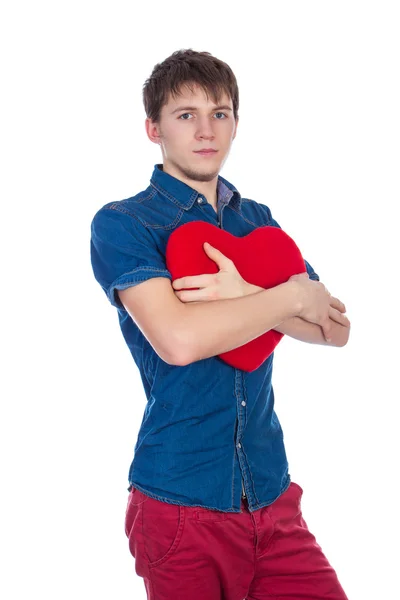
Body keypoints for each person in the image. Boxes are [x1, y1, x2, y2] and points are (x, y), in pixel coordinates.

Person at [90, 49, 350, 600]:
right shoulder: (124, 223)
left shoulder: (257, 221)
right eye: (186, 115)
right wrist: (288, 296)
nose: (207, 130)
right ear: (152, 128)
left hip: (273, 498)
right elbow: (179, 340)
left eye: (221, 113)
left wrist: (254, 294)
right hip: (181, 505)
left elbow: (334, 328)